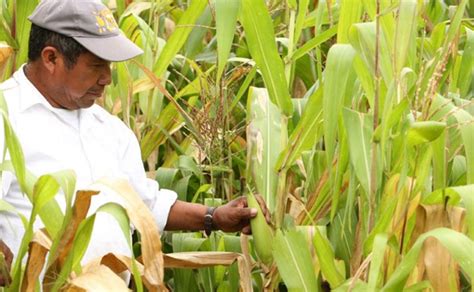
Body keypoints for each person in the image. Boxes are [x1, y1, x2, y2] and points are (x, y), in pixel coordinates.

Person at [0, 0, 269, 285]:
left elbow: (145, 204)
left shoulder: (109, 129)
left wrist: (214, 217)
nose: (107, 78)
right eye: (96, 66)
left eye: (109, 66)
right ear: (51, 58)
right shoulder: (6, 116)